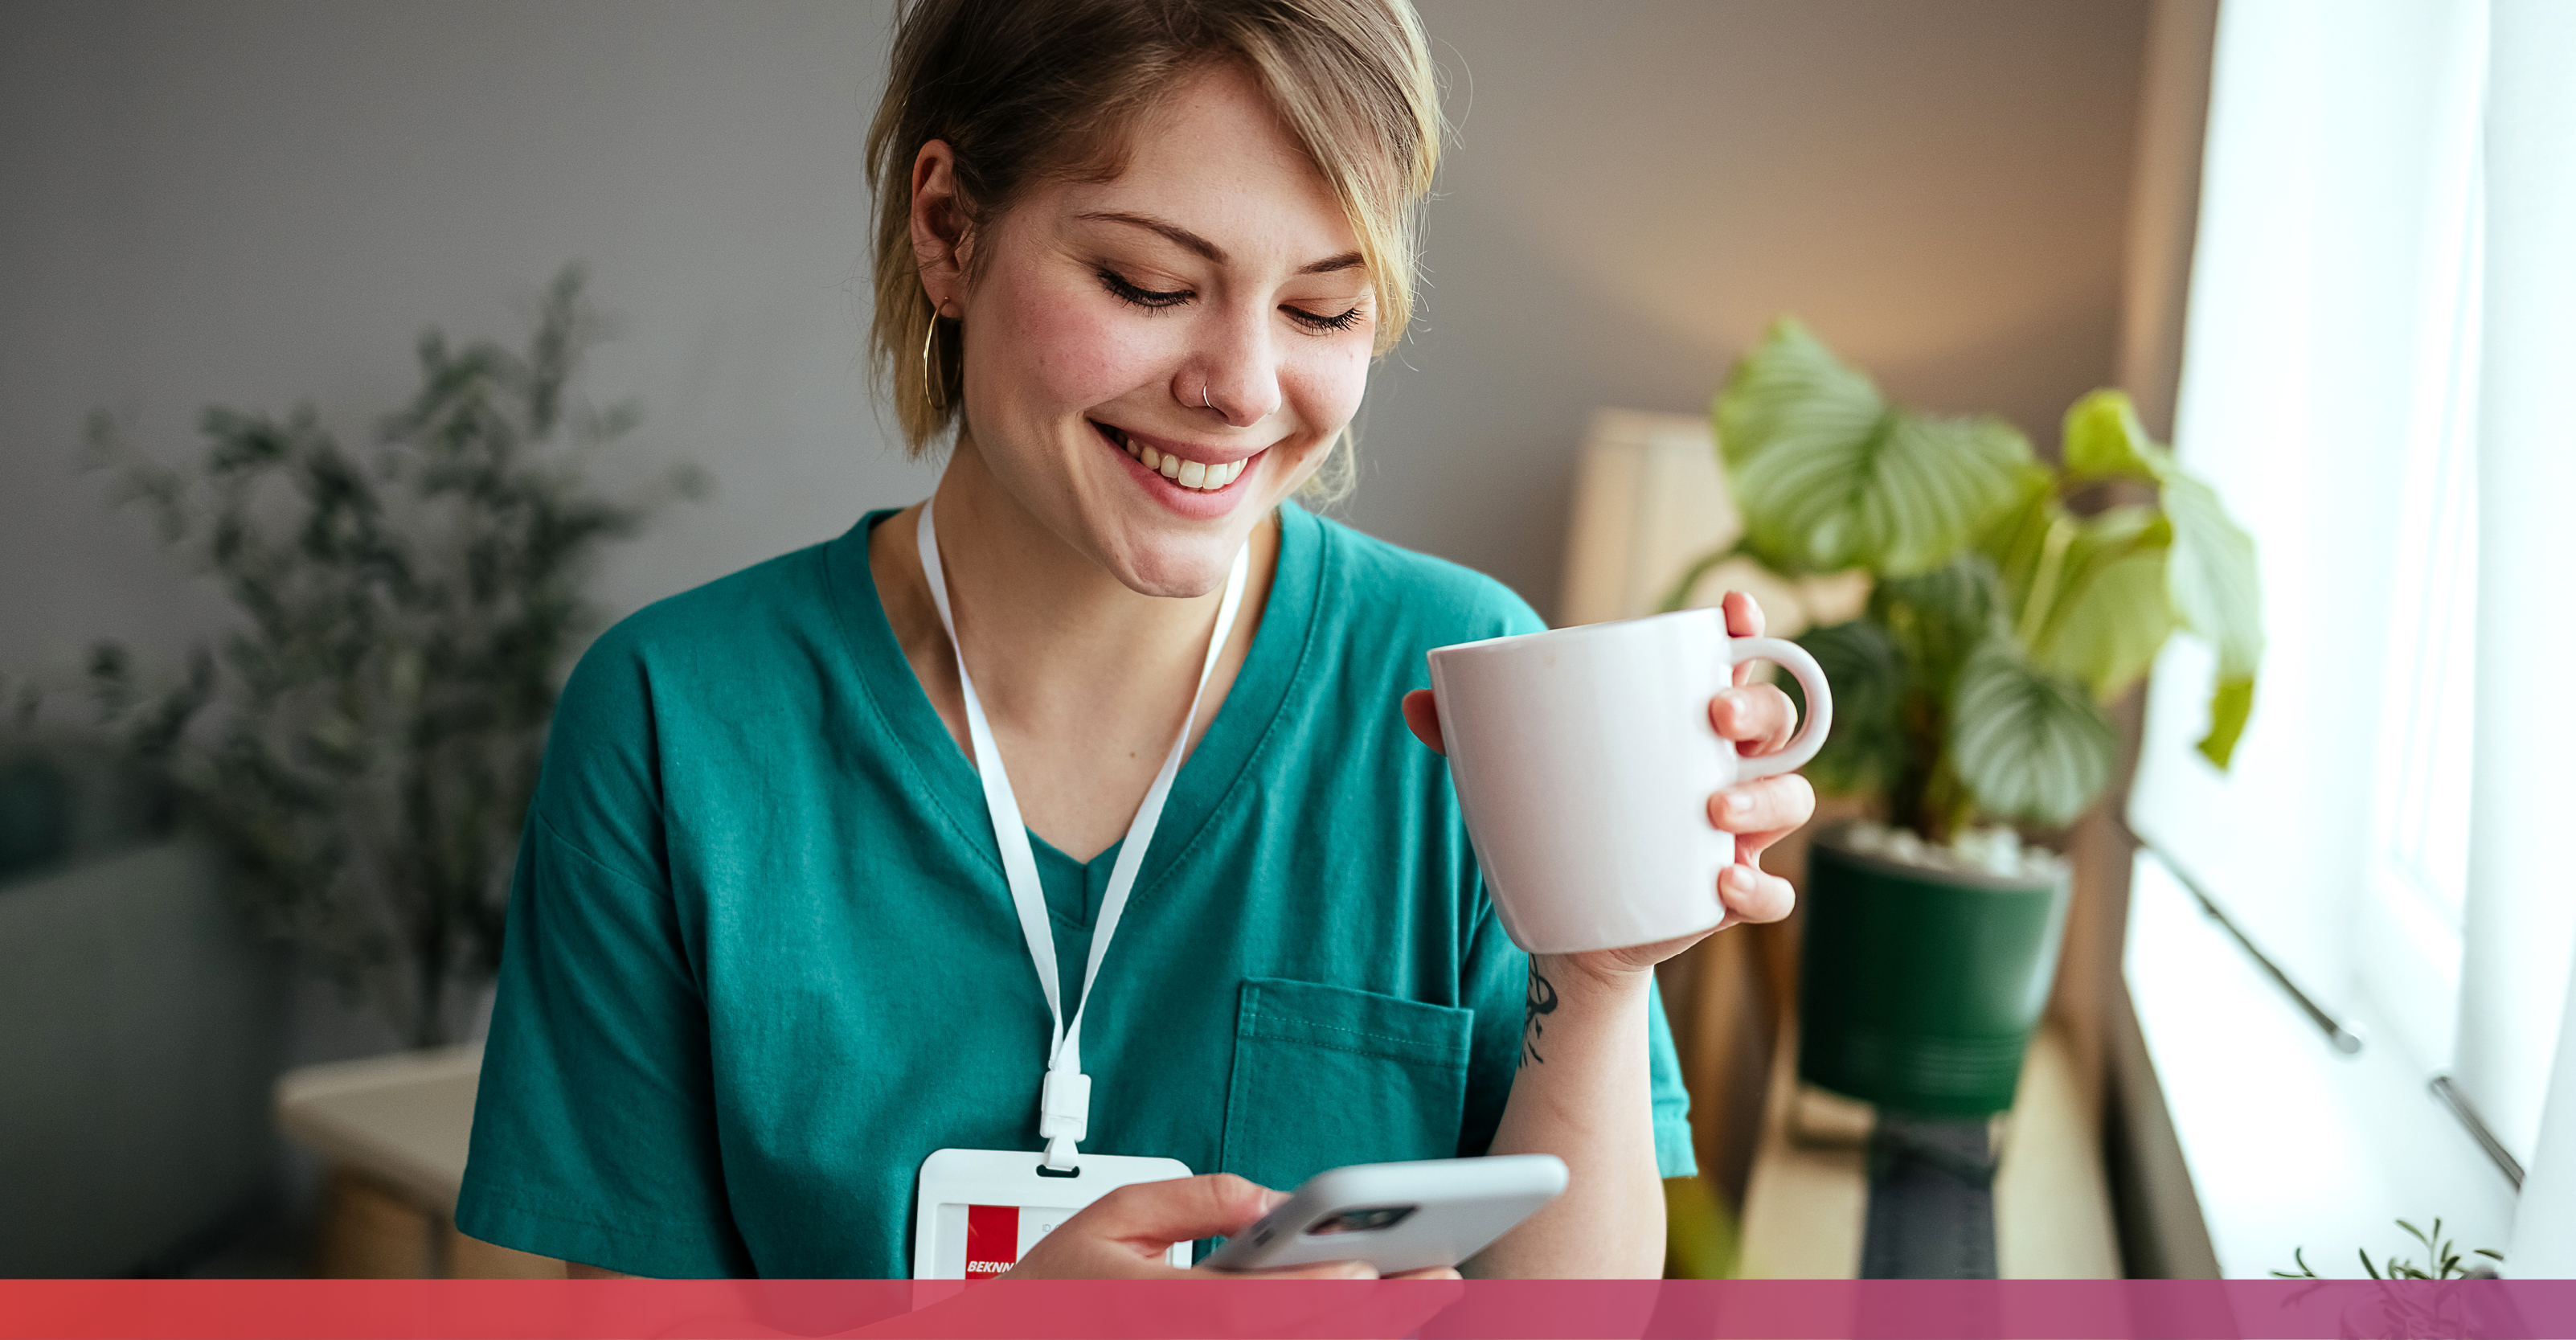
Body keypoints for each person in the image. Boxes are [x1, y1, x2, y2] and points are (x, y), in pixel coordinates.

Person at [453, 0, 1812, 1281]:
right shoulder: (673, 727)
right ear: (947, 229)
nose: (1238, 388)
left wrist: (1600, 965)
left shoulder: (1467, 681)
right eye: (1148, 282)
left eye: (1323, 308)